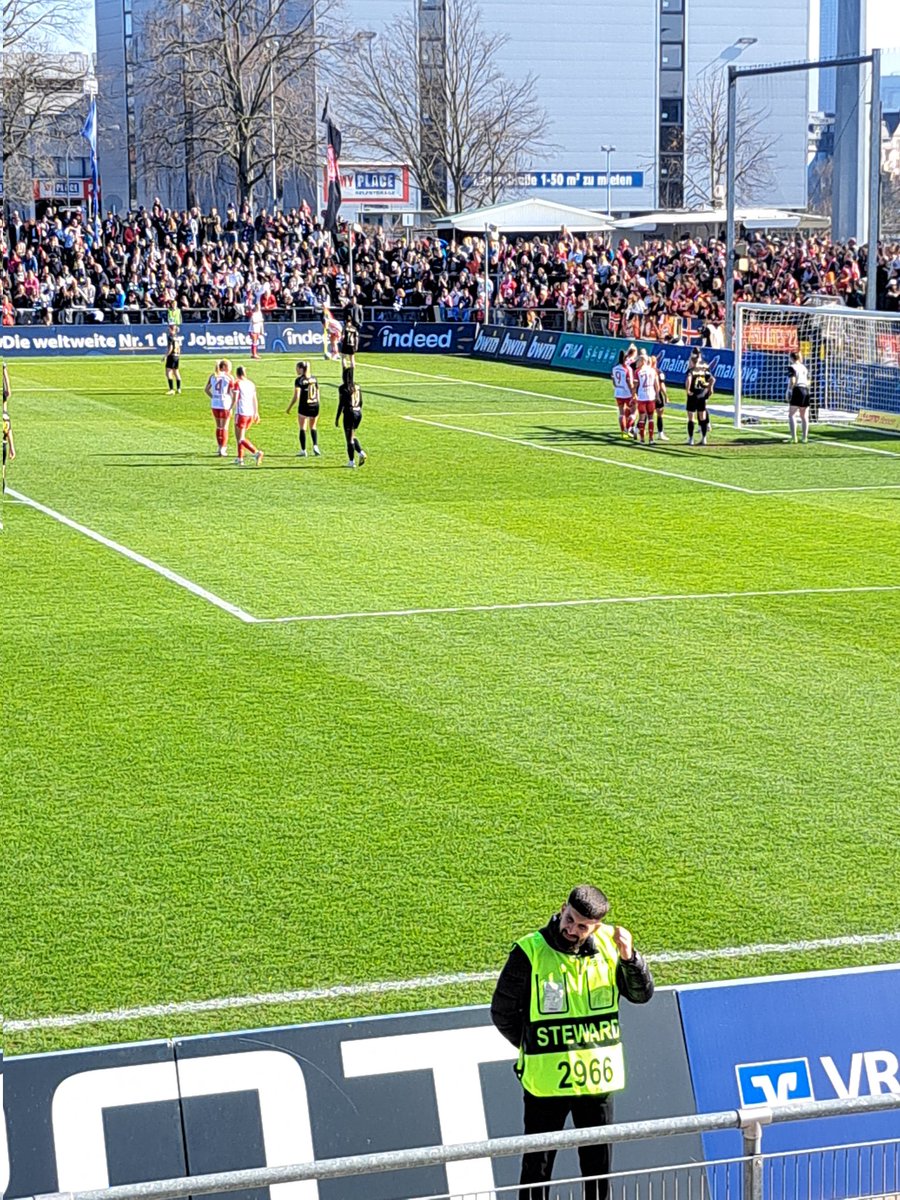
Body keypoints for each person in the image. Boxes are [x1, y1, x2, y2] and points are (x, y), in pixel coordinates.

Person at [491, 885, 654, 1200]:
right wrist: (533, 1047)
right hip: (547, 1083)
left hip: (596, 1083)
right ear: (562, 907)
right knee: (536, 1171)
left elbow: (641, 995)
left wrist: (631, 958)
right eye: (570, 919)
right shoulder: (530, 950)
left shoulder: (611, 947)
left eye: (582, 926)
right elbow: (502, 1012)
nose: (572, 929)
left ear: (596, 926)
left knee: (598, 1170)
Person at [285, 360, 322, 457]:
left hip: (304, 406)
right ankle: (315, 446)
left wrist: (289, 407)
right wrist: (317, 403)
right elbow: (318, 393)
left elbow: (296, 396)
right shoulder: (314, 378)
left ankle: (303, 450)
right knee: (313, 427)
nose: (296, 370)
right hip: (315, 405)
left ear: (301, 369)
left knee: (302, 428)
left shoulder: (299, 380)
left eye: (297, 368)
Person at [335, 363, 366, 468]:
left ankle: (351, 461)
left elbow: (341, 404)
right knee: (352, 435)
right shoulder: (357, 386)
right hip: (358, 412)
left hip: (349, 413)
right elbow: (361, 401)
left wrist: (337, 417)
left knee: (349, 439)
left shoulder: (343, 388)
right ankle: (360, 452)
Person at [233, 365, 263, 466]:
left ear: (237, 374)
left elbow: (235, 398)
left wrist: (230, 407)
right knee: (241, 437)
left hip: (241, 412)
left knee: (240, 438)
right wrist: (256, 412)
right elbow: (255, 399)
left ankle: (256, 452)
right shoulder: (251, 383)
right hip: (250, 413)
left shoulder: (237, 383)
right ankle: (239, 458)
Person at [204, 357, 236, 457]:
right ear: (225, 367)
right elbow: (232, 391)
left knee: (218, 426)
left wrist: (213, 396)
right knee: (225, 426)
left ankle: (219, 447)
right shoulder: (229, 377)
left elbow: (206, 389)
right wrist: (232, 402)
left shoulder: (213, 376)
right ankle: (223, 448)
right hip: (225, 403)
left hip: (215, 403)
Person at [684, 347, 714, 446]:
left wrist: (688, 390)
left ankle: (691, 439)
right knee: (702, 417)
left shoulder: (691, 369)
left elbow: (688, 379)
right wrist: (710, 388)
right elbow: (712, 379)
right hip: (702, 394)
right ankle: (704, 438)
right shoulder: (705, 367)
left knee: (691, 418)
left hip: (693, 394)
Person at [786, 349, 811, 444]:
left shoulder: (792, 367)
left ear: (791, 358)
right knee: (804, 416)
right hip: (805, 390)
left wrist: (789, 390)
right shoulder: (804, 367)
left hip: (797, 389)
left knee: (792, 414)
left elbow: (792, 380)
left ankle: (794, 437)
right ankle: (805, 438)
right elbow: (809, 380)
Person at [611, 350, 636, 439]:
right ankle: (628, 428)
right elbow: (630, 382)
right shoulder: (627, 369)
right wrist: (633, 393)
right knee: (633, 411)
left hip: (618, 392)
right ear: (625, 358)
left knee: (621, 413)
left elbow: (614, 382)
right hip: (627, 393)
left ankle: (623, 433)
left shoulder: (614, 368)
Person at [635, 350, 656, 445]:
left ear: (643, 361)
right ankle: (651, 439)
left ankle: (642, 438)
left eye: (638, 361)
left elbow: (635, 385)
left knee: (642, 418)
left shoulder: (638, 372)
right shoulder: (652, 370)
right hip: (651, 396)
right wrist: (657, 394)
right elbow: (656, 384)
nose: (637, 362)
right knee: (651, 418)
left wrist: (633, 395)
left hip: (642, 397)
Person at [164, 323, 183, 394]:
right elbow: (179, 348)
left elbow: (171, 348)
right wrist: (178, 355)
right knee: (176, 372)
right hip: (177, 356)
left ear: (171, 329)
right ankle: (178, 389)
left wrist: (165, 356)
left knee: (168, 372)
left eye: (169, 328)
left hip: (171, 356)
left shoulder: (170, 337)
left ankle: (171, 389)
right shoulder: (177, 337)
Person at [654, 361, 670, 442]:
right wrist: (666, 396)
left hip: (646, 395)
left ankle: (636, 429)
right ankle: (660, 433)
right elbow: (662, 385)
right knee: (659, 414)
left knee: (645, 414)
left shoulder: (642, 371)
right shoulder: (659, 372)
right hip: (656, 395)